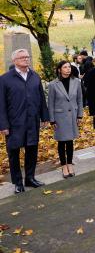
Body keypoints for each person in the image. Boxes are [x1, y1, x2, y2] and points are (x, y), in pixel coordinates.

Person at [0, 49, 49, 194]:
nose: (26, 59)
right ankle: (18, 182)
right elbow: (1, 104)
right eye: (22, 58)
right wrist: (3, 125)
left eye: (27, 57)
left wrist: (44, 117)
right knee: (14, 153)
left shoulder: (35, 76)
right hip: (14, 124)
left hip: (32, 121)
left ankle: (30, 178)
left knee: (32, 150)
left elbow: (41, 98)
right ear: (14, 60)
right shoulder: (5, 79)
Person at [48, 61, 83, 178]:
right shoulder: (53, 84)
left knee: (70, 141)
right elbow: (51, 103)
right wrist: (52, 120)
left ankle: (70, 164)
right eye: (65, 67)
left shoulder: (76, 82)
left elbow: (79, 100)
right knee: (62, 141)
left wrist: (80, 115)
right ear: (59, 69)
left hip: (73, 116)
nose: (68, 69)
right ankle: (64, 166)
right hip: (59, 117)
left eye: (69, 67)